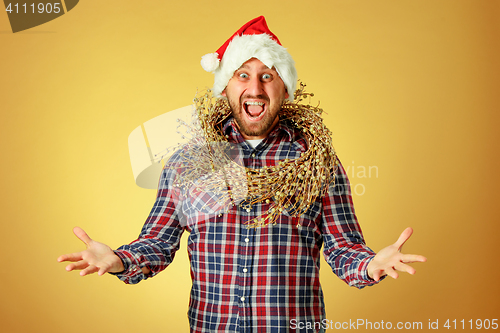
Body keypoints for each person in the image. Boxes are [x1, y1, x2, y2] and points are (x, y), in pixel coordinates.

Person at [58, 16, 426, 333]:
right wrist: (119, 260)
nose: (255, 88)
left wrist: (370, 264)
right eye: (243, 75)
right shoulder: (188, 163)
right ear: (225, 87)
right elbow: (158, 242)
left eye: (268, 76)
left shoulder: (318, 163)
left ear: (284, 88)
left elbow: (343, 248)